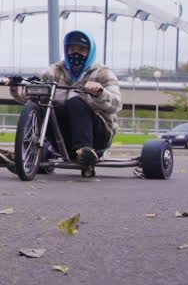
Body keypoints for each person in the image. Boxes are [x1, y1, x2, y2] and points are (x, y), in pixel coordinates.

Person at [8, 30, 122, 176]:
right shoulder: (53, 72)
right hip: (62, 137)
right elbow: (33, 95)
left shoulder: (103, 74)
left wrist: (100, 92)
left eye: (81, 49)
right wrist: (16, 88)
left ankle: (84, 152)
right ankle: (25, 153)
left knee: (75, 101)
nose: (75, 53)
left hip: (97, 136)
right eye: (72, 49)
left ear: (90, 52)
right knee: (43, 105)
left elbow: (116, 104)